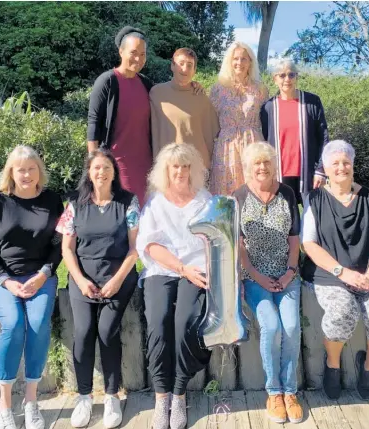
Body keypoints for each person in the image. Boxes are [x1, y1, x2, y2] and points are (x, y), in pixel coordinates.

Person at [300, 140, 369, 401]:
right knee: (342, 311)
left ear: (352, 166)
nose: (341, 167)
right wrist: (341, 272)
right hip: (330, 274)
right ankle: (332, 365)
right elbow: (308, 243)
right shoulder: (314, 199)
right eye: (335, 163)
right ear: (326, 168)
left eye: (346, 162)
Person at [0, 145, 63, 429]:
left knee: (38, 324)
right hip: (2, 278)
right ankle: (4, 405)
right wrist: (6, 281)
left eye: (31, 168)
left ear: (39, 171)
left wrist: (43, 274)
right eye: (20, 169)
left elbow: (58, 245)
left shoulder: (52, 200)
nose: (26, 174)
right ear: (11, 172)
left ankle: (31, 401)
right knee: (13, 324)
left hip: (41, 276)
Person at [56, 149, 140, 428]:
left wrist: (116, 280)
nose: (101, 173)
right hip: (84, 279)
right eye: (96, 168)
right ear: (89, 173)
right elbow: (67, 249)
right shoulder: (75, 204)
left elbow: (135, 248)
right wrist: (80, 280)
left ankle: (112, 396)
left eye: (106, 168)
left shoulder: (128, 202)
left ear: (114, 172)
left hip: (118, 277)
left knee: (107, 331)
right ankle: (83, 397)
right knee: (83, 331)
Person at [136, 143, 212, 429]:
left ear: (193, 169)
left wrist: (196, 271)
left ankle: (179, 394)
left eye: (185, 166)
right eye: (174, 166)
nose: (180, 171)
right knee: (158, 322)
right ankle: (161, 397)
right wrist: (180, 268)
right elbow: (151, 246)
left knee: (186, 323)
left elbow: (215, 241)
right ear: (165, 171)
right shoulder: (156, 203)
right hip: (163, 269)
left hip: (197, 270)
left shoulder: (205, 201)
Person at [234, 143, 303, 424]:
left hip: (287, 275)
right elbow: (238, 244)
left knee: (291, 327)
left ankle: (290, 392)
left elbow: (294, 239)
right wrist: (256, 275)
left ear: (274, 165)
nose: (262, 168)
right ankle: (274, 392)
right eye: (256, 164)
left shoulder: (287, 193)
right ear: (248, 168)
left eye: (267, 163)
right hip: (254, 276)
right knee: (271, 326)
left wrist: (289, 272)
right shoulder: (238, 197)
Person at [87, 26, 152, 205]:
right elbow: (93, 123)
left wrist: (193, 87)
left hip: (145, 164)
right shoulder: (107, 81)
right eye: (133, 52)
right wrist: (95, 167)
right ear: (121, 51)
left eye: (143, 54)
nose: (138, 58)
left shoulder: (146, 84)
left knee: (144, 217)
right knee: (124, 213)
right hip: (117, 163)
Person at [260, 59, 329, 204]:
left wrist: (321, 170)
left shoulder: (312, 102)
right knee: (286, 221)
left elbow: (323, 138)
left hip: (309, 174)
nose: (287, 79)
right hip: (280, 174)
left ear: (297, 77)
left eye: (291, 75)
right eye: (282, 75)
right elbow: (265, 140)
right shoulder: (268, 107)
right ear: (275, 79)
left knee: (313, 220)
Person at [209, 41, 269, 195]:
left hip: (253, 144)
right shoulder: (218, 89)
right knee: (226, 193)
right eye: (235, 58)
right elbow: (210, 120)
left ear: (250, 62)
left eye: (244, 59)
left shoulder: (261, 89)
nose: (239, 63)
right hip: (226, 147)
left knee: (255, 189)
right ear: (229, 61)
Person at [150, 47, 219, 169]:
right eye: (180, 64)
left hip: (196, 168)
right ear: (172, 66)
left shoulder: (201, 97)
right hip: (166, 166)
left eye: (189, 65)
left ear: (194, 70)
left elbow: (212, 135)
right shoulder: (156, 93)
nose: (184, 69)